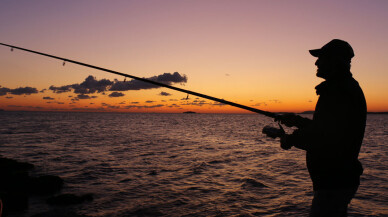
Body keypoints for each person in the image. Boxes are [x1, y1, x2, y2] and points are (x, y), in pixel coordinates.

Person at [277, 39, 367, 217]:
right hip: (338, 180)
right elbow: (326, 127)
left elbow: (325, 137)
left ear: (336, 61)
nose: (316, 62)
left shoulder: (339, 92)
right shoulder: (342, 88)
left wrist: (290, 139)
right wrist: (295, 120)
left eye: (322, 58)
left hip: (333, 183)